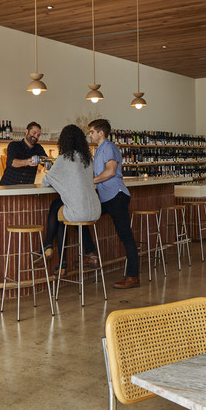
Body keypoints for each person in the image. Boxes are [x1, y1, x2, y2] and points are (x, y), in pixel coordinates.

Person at [84, 119, 141, 289]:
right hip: (106, 198)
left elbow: (110, 172)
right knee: (83, 217)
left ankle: (133, 276)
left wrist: (90, 181)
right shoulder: (99, 149)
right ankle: (90, 252)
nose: (90, 135)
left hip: (116, 196)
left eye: (92, 132)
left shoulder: (109, 147)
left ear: (101, 133)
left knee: (126, 236)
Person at [41, 125, 102, 275]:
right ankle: (90, 253)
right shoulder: (88, 159)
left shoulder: (64, 158)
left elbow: (46, 181)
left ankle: (50, 248)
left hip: (79, 212)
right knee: (61, 208)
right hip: (95, 209)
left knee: (59, 210)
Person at [0, 121, 47, 185]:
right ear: (26, 131)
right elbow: (12, 163)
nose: (36, 136)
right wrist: (27, 162)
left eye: (38, 135)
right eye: (34, 133)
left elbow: (47, 163)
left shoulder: (38, 148)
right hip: (8, 187)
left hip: (25, 189)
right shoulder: (14, 145)